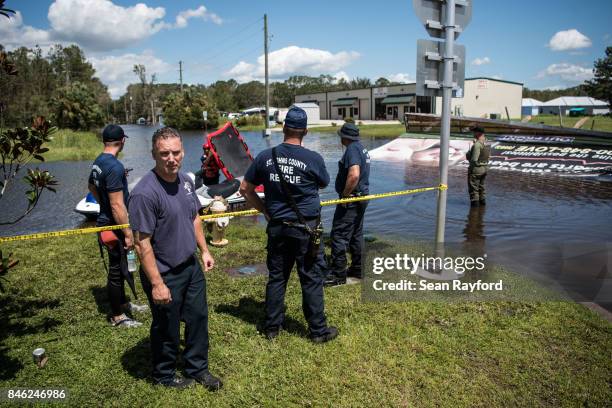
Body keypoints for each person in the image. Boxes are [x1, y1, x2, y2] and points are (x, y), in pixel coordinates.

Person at [129, 127, 222, 390]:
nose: (171, 158)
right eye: (164, 153)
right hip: (163, 272)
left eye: (176, 152)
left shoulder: (186, 181)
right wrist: (157, 283)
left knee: (197, 318)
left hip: (190, 265)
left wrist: (204, 250)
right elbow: (141, 243)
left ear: (183, 152)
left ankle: (197, 368)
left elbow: (194, 216)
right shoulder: (144, 193)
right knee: (166, 327)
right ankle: (164, 376)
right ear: (154, 155)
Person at [239, 106, 338, 343]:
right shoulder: (313, 159)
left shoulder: (265, 157)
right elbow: (324, 183)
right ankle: (318, 331)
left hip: (278, 228)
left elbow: (245, 189)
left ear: (283, 128)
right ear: (304, 130)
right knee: (311, 278)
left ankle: (272, 328)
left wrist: (264, 211)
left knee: (277, 277)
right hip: (306, 230)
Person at [88, 124, 146, 328]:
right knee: (115, 270)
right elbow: (117, 204)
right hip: (113, 226)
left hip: (107, 222)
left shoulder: (99, 162)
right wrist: (128, 232)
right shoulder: (114, 166)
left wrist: (102, 203)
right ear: (122, 141)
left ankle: (123, 302)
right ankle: (117, 316)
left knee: (122, 266)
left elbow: (91, 187)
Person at [324, 123, 371, 287]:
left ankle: (338, 275)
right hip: (361, 197)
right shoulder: (361, 148)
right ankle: (358, 269)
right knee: (356, 235)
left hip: (351, 199)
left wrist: (344, 195)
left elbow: (354, 175)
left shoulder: (352, 150)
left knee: (339, 235)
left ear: (345, 137)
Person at [466, 126, 490, 207]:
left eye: (474, 132)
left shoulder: (477, 145)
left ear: (478, 133)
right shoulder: (487, 142)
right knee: (481, 188)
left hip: (476, 169)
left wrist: (469, 153)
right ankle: (482, 207)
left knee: (473, 190)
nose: (473, 133)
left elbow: (473, 160)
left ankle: (474, 213)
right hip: (485, 168)